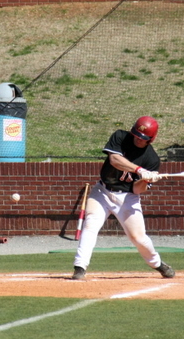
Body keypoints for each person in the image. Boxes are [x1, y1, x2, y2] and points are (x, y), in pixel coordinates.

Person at [72, 116, 175, 280]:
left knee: (138, 238)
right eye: (137, 135)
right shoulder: (120, 136)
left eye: (143, 138)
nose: (138, 139)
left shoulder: (152, 160)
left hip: (127, 197)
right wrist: (139, 170)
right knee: (90, 224)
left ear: (151, 139)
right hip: (103, 191)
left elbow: (136, 189)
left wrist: (146, 180)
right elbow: (114, 160)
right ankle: (80, 267)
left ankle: (158, 264)